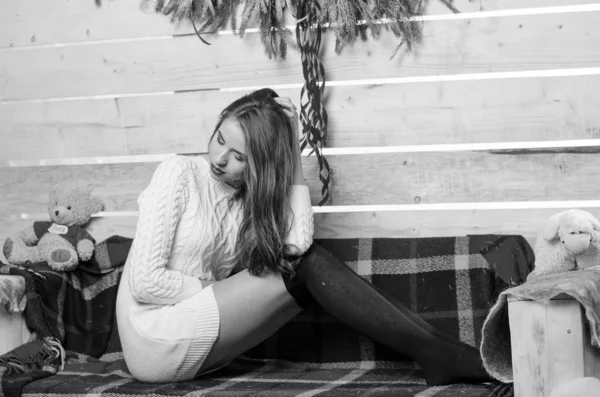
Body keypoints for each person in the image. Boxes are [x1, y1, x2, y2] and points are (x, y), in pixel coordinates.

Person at [115, 88, 493, 386]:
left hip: (198, 344)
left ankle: (445, 354)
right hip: (152, 336)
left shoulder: (252, 202)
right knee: (307, 267)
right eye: (219, 139)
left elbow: (296, 244)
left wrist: (293, 151)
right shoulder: (179, 174)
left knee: (305, 263)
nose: (219, 158)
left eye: (239, 156)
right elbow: (145, 283)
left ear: (261, 163)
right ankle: (445, 356)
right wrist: (214, 289)